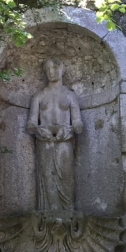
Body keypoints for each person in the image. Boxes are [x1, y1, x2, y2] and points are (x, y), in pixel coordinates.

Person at [27, 59, 83, 211]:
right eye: (48, 69)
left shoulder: (70, 95)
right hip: (44, 142)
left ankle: (68, 211)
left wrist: (74, 128)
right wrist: (37, 129)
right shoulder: (38, 96)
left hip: (64, 141)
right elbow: (31, 122)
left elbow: (78, 121)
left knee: (66, 176)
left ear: (62, 69)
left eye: (55, 67)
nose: (51, 71)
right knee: (47, 176)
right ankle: (48, 212)